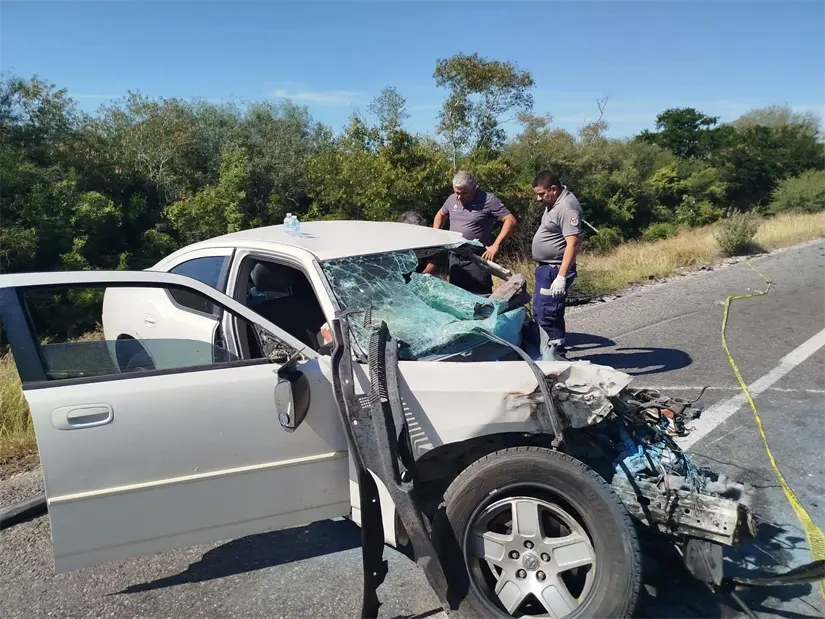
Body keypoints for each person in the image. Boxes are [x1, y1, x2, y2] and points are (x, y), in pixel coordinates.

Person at [427, 171, 517, 295]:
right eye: (456, 192)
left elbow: (510, 220)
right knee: (457, 297)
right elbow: (441, 214)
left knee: (480, 298)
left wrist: (496, 245)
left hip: (476, 259)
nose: (459, 197)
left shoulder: (488, 200)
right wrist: (436, 234)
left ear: (474, 188)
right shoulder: (452, 199)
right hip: (455, 257)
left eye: (464, 193)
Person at [530, 170, 583, 359]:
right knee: (541, 311)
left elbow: (573, 243)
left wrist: (561, 277)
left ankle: (555, 358)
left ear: (553, 189)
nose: (538, 199)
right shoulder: (554, 202)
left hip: (555, 269)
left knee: (548, 314)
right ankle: (547, 354)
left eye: (541, 194)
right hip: (546, 268)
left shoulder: (567, 207)